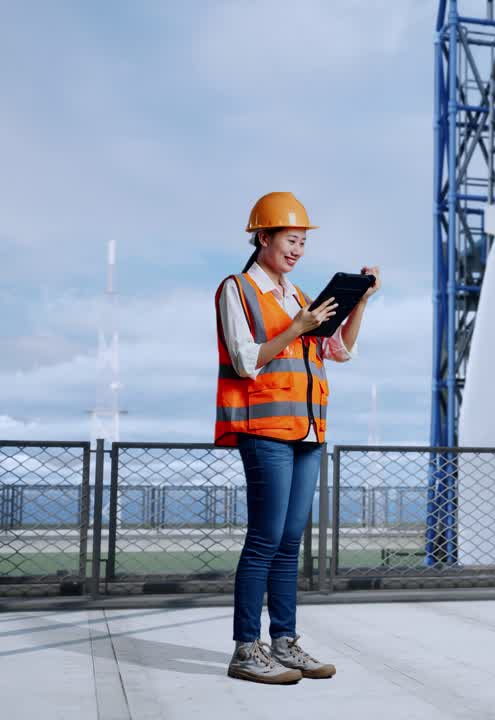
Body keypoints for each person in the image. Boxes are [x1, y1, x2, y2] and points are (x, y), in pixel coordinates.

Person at [214, 191, 380, 684]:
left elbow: (338, 351)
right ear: (263, 237)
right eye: (291, 239)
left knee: (289, 542)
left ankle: (284, 642)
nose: (297, 250)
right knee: (264, 539)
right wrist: (297, 327)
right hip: (264, 429)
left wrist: (360, 303)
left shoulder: (301, 296)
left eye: (303, 242)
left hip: (308, 430)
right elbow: (248, 358)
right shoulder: (237, 289)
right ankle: (247, 648)